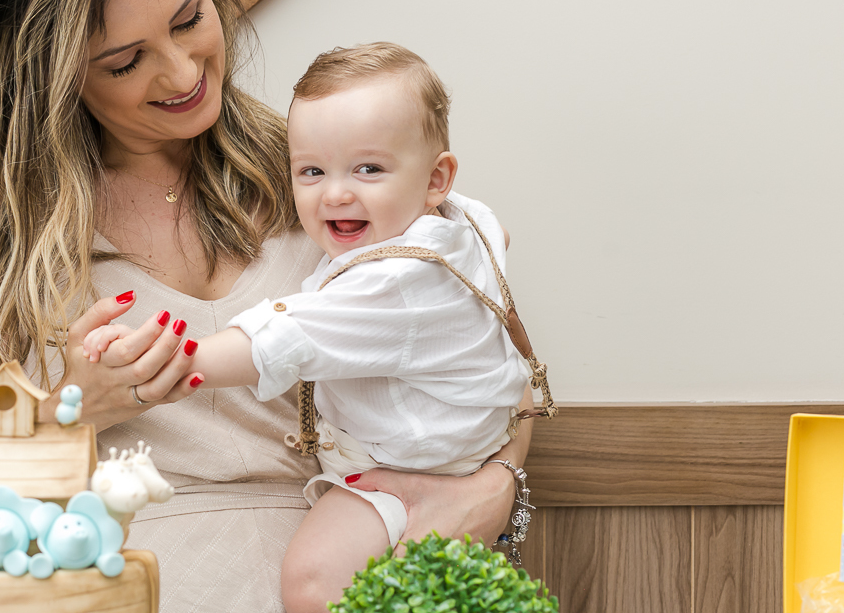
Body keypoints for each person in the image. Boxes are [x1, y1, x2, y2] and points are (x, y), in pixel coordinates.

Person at [0, 0, 533, 613]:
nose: (180, 73)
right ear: (55, 76)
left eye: (188, 19)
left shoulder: (323, 174)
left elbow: (489, 359)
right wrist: (70, 409)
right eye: (125, 61)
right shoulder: (4, 220)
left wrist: (498, 486)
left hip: (350, 576)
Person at [84, 43, 532, 612]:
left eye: (369, 169)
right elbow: (497, 233)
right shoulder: (458, 222)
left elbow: (280, 339)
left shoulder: (393, 281)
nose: (337, 193)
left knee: (312, 581)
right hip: (448, 453)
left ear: (436, 177)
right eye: (312, 172)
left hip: (409, 475)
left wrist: (170, 357)